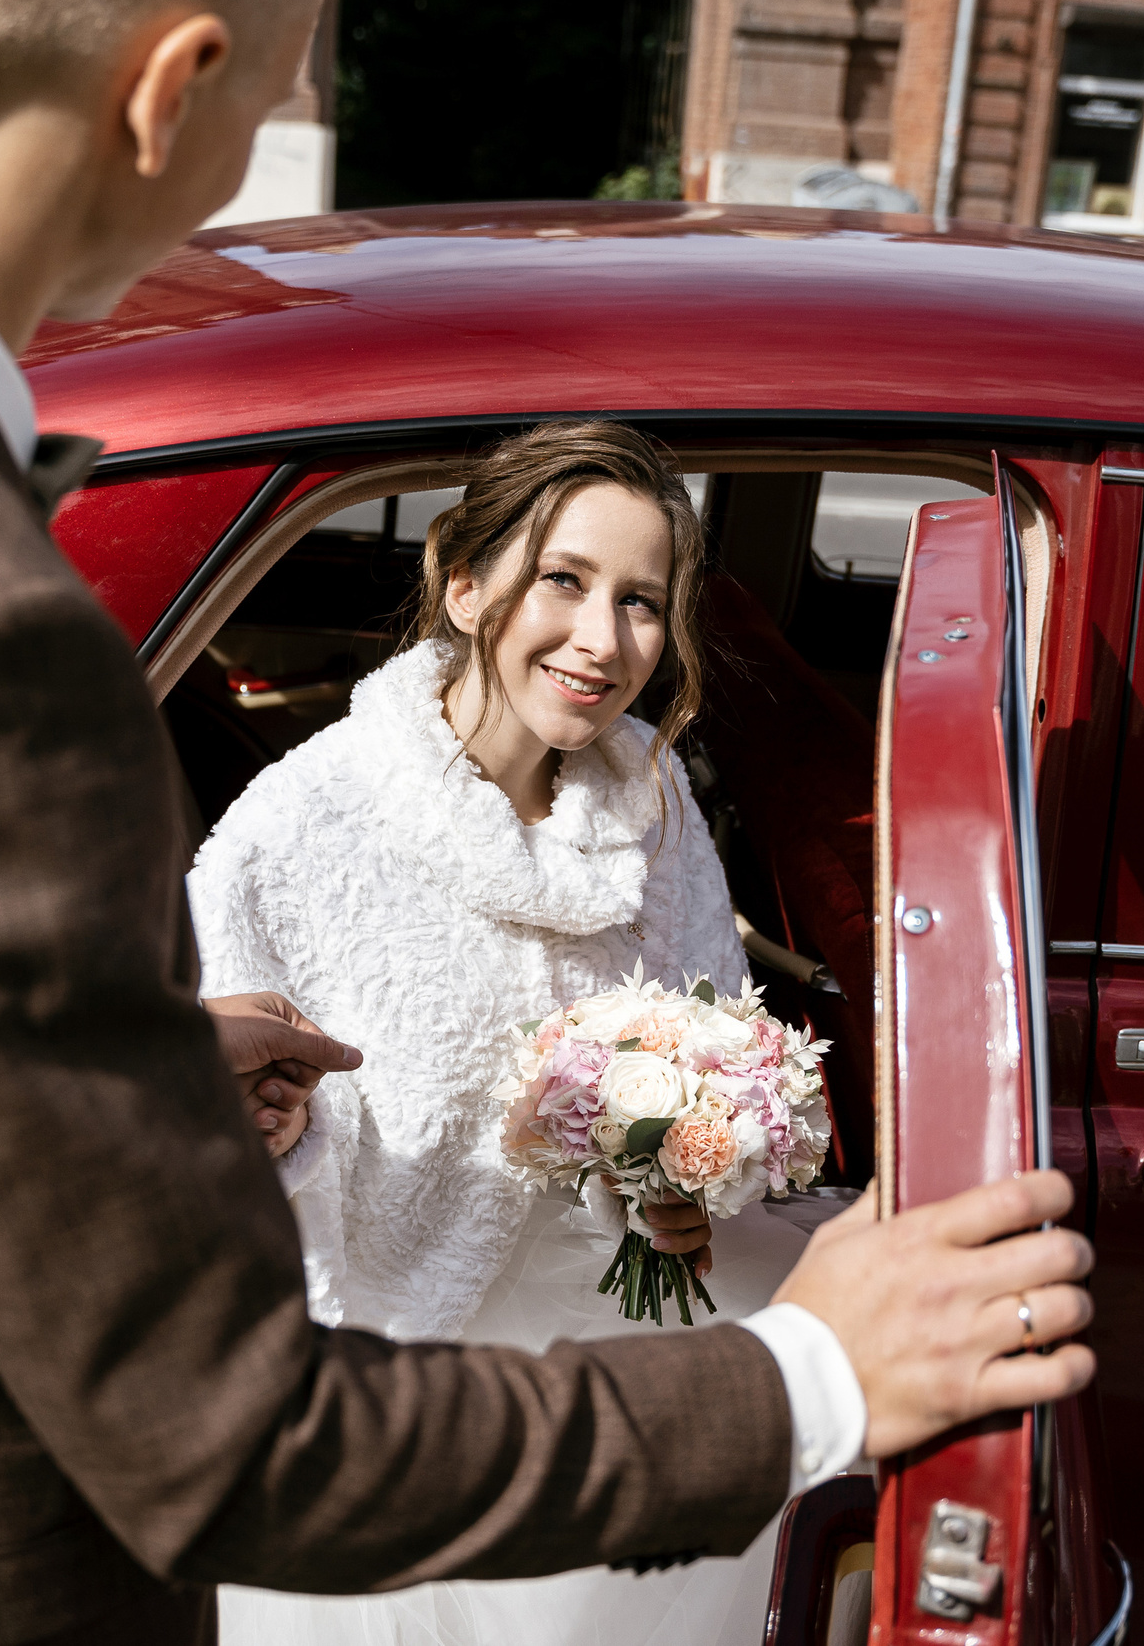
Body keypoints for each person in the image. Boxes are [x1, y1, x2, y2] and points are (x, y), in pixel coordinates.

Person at [0, 0, 1099, 1641]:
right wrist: (814, 1373)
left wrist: (124, 1069)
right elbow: (226, 1441)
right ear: (172, 91)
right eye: (278, 91)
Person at [196, 421, 867, 1644]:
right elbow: (225, 1167)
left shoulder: (651, 802)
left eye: (642, 603)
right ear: (463, 581)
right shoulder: (289, 834)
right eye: (563, 580)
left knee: (845, 1368)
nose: (602, 642)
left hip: (602, 1287)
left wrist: (680, 1176)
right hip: (393, 1341)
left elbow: (710, 1022)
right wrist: (273, 1128)